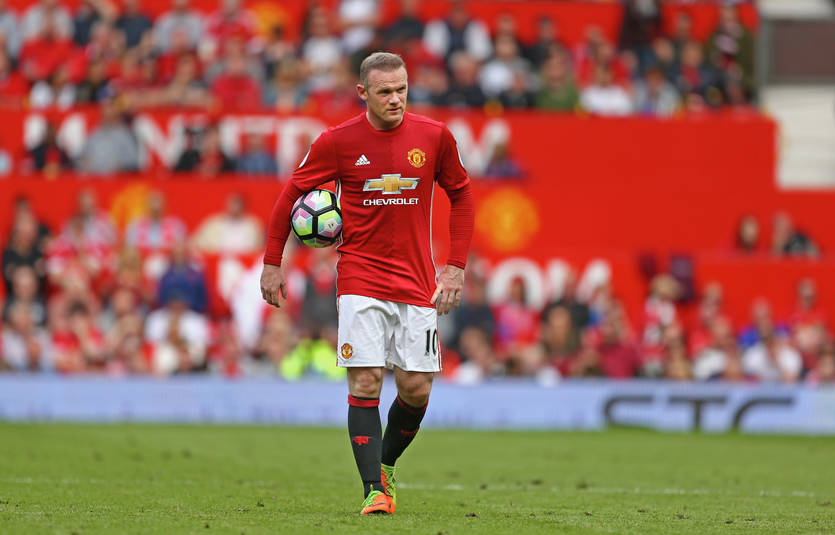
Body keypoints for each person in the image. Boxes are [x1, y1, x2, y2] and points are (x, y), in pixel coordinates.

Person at [260, 52, 474, 515]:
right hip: (360, 275)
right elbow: (290, 195)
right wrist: (272, 263)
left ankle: (386, 464)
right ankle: (374, 489)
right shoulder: (337, 142)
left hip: (417, 280)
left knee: (416, 388)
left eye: (402, 89)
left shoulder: (434, 136)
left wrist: (455, 266)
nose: (396, 99)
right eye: (385, 91)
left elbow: (461, 194)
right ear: (363, 93)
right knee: (366, 378)